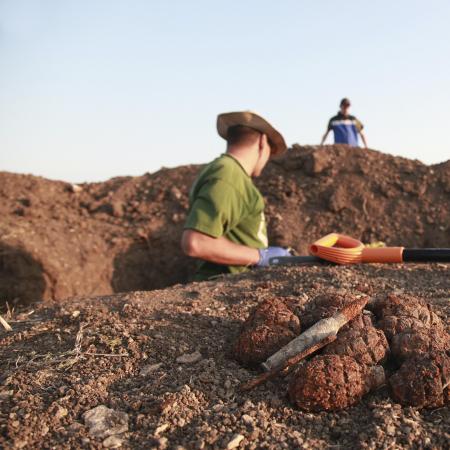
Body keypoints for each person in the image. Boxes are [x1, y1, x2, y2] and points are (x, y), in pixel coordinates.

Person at [181, 111, 292, 281]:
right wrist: (260, 256)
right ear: (262, 142)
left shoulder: (230, 172)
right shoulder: (228, 174)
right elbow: (196, 242)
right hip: (221, 291)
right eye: (271, 149)